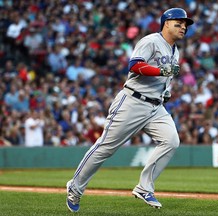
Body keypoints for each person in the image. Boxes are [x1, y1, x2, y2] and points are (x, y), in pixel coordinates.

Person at [66, 8, 194, 212]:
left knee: (171, 141)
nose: (183, 27)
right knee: (105, 148)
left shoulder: (174, 50)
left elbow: (165, 78)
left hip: (155, 105)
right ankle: (75, 186)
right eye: (178, 23)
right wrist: (160, 71)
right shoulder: (150, 41)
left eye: (185, 24)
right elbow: (134, 65)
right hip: (132, 101)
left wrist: (166, 91)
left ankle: (144, 188)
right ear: (166, 23)